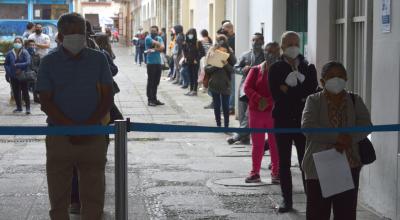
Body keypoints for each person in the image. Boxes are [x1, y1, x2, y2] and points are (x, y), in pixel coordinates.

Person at [36, 12, 113, 219]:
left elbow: (108, 97)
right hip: (60, 136)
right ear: (60, 35)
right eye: (70, 32)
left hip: (94, 135)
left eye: (79, 31)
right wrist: (71, 127)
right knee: (58, 193)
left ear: (87, 33)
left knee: (94, 192)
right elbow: (46, 101)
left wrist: (89, 125)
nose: (75, 36)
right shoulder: (49, 62)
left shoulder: (99, 60)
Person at [302, 61, 372, 220]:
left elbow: (366, 125)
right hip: (319, 167)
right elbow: (308, 127)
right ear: (322, 81)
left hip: (349, 165)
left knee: (345, 213)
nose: (337, 79)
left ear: (346, 78)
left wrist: (349, 139)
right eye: (331, 76)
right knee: (317, 213)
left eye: (340, 76)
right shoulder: (313, 100)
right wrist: (337, 137)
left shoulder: (355, 100)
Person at [268, 31, 318, 213]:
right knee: (284, 163)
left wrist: (288, 89)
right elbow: (277, 96)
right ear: (282, 47)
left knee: (306, 161)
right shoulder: (275, 69)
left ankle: (311, 199)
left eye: (295, 43)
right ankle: (286, 200)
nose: (293, 47)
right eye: (289, 44)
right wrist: (298, 93)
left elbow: (311, 92)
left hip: (303, 122)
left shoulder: (308, 67)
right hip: (282, 121)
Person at [244, 42, 281, 184]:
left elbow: (282, 90)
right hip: (256, 112)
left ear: (279, 53)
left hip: (274, 112)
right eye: (268, 50)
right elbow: (247, 88)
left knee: (274, 144)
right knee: (257, 144)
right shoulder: (255, 70)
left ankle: (276, 173)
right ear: (264, 52)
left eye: (274, 51)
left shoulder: (280, 72)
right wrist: (259, 99)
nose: (270, 54)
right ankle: (255, 173)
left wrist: (269, 101)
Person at [227, 33, 265, 145]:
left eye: (258, 40)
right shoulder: (245, 55)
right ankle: (244, 137)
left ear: (262, 42)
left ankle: (238, 135)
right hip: (244, 86)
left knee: (250, 114)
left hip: (259, 88)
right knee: (243, 113)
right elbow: (235, 67)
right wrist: (242, 69)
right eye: (253, 40)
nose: (255, 43)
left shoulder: (265, 56)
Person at [204, 35, 237, 128]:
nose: (222, 52)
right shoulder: (212, 53)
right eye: (220, 50)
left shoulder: (230, 56)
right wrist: (216, 65)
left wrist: (226, 64)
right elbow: (207, 69)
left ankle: (226, 125)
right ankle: (218, 124)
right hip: (214, 84)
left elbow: (232, 70)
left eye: (224, 51)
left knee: (226, 106)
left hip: (226, 85)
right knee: (217, 106)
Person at [95, 33, 123, 122]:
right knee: (108, 112)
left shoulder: (103, 52)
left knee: (106, 113)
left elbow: (113, 69)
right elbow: (114, 69)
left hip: (103, 86)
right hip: (106, 86)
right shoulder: (103, 52)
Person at [4, 37, 31, 114]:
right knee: (16, 92)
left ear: (22, 43)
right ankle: (19, 108)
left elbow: (28, 62)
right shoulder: (10, 53)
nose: (17, 43)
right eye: (15, 42)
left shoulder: (25, 52)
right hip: (13, 76)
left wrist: (18, 66)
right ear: (13, 43)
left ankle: (28, 108)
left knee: (25, 92)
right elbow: (6, 64)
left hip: (23, 75)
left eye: (19, 42)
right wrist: (10, 72)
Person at [145, 25, 165, 106]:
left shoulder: (159, 37)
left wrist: (153, 49)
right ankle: (150, 100)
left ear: (157, 31)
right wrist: (158, 47)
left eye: (154, 31)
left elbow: (162, 48)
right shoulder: (148, 38)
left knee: (156, 82)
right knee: (151, 82)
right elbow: (157, 44)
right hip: (151, 63)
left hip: (158, 63)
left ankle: (154, 98)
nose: (153, 32)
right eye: (151, 30)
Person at [182, 28, 205, 96]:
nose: (190, 35)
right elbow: (185, 51)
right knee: (190, 76)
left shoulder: (198, 42)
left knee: (195, 76)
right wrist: (185, 57)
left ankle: (195, 90)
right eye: (189, 34)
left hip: (195, 62)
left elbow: (202, 53)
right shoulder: (187, 42)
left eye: (191, 34)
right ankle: (191, 89)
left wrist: (197, 59)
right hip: (188, 61)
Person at [221, 22, 236, 114]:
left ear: (230, 28)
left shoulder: (234, 39)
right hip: (224, 65)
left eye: (224, 28)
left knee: (231, 87)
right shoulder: (227, 38)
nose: (223, 30)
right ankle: (226, 106)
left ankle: (230, 107)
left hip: (231, 65)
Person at [24, 39, 41, 103]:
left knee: (35, 83)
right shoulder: (24, 54)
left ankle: (36, 98)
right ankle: (25, 97)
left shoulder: (37, 55)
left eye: (33, 45)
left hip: (34, 73)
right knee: (26, 84)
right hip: (26, 73)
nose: (32, 46)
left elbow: (39, 65)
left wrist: (36, 71)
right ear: (27, 46)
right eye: (30, 45)